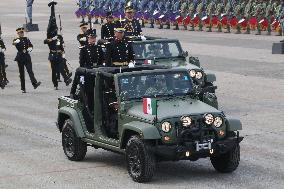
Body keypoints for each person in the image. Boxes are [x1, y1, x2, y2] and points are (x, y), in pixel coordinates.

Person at [12, 27, 41, 93]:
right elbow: (13, 43)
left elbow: (31, 45)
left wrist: (29, 49)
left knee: (30, 71)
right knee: (22, 74)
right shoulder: (16, 40)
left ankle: (34, 84)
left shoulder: (26, 39)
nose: (21, 34)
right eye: (20, 33)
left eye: (22, 33)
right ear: (18, 33)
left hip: (27, 57)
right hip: (20, 58)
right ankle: (23, 88)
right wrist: (16, 42)